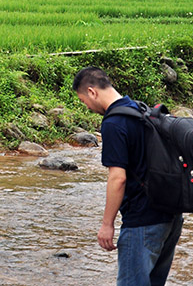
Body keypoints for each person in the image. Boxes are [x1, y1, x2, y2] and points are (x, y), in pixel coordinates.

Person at [72, 66, 183, 285]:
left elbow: (118, 178)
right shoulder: (140, 110)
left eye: (84, 101)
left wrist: (107, 224)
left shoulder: (114, 123)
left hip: (142, 223)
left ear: (92, 92)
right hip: (170, 216)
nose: (87, 107)